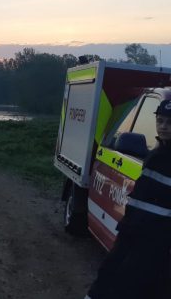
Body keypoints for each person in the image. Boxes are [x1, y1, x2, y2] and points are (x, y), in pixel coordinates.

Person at [86, 100, 171, 298]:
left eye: (169, 122)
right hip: (132, 229)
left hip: (156, 237)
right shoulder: (156, 153)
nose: (164, 126)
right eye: (160, 121)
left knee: (132, 284)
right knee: (110, 271)